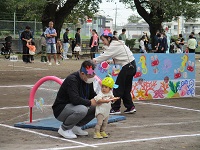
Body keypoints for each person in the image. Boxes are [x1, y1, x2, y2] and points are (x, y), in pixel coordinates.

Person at [93, 30, 137, 115]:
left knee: (117, 88)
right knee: (126, 89)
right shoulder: (118, 43)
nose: (103, 42)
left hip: (127, 67)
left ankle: (116, 108)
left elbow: (105, 55)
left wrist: (95, 60)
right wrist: (111, 62)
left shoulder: (114, 45)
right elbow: (122, 57)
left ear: (109, 38)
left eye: (103, 40)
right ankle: (130, 107)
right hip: (132, 66)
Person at [52, 60, 98, 139]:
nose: (92, 78)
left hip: (74, 107)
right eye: (90, 76)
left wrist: (102, 99)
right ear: (83, 74)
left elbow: (92, 95)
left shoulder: (88, 80)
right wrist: (90, 102)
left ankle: (76, 127)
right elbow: (75, 99)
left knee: (97, 107)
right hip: (61, 109)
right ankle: (64, 128)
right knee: (82, 109)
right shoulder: (72, 79)